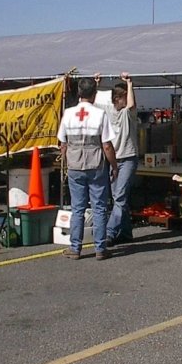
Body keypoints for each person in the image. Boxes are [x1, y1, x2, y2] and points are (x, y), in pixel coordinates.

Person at [57, 77, 119, 260]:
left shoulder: (68, 114)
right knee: (99, 207)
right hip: (95, 163)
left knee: (77, 208)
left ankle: (75, 248)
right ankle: (100, 248)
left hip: (75, 164)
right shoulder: (100, 114)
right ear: (95, 94)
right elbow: (107, 145)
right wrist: (114, 166)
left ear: (78, 93)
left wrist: (66, 162)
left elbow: (63, 143)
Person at [97, 72, 139, 246]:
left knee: (119, 196)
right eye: (121, 97)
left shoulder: (127, 114)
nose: (124, 101)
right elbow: (92, 103)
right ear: (116, 98)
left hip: (128, 157)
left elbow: (132, 104)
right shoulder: (107, 111)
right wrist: (97, 84)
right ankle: (126, 233)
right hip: (114, 159)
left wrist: (130, 84)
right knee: (118, 197)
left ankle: (110, 232)